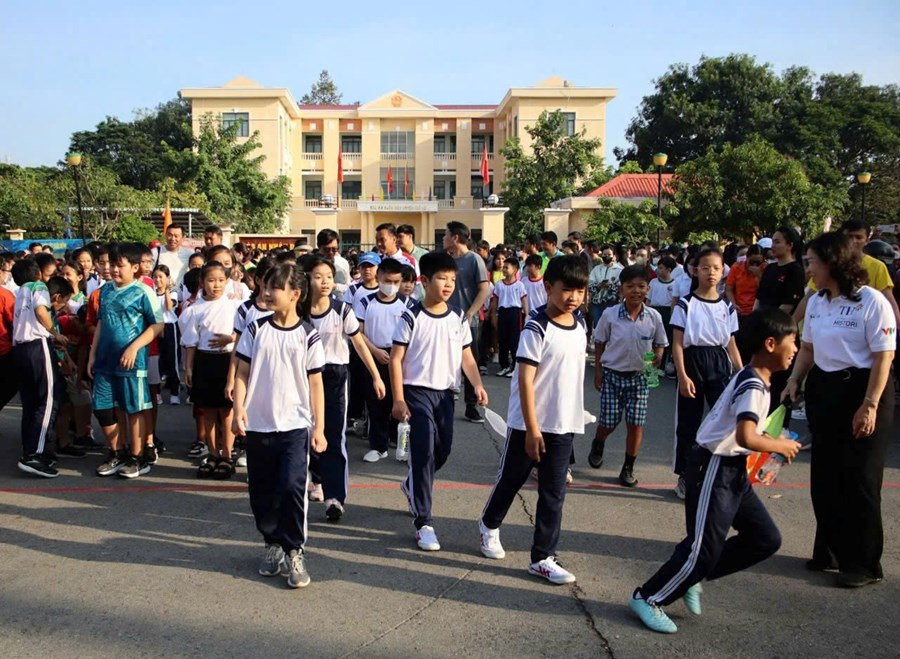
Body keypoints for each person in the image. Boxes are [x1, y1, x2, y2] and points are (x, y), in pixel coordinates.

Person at [629, 308, 801, 634]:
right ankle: (647, 597)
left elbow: (746, 435)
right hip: (713, 466)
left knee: (764, 538)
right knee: (702, 548)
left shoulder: (757, 378)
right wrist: (779, 444)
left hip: (733, 470)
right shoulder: (753, 384)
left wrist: (769, 445)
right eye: (792, 341)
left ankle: (693, 575)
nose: (795, 349)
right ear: (770, 343)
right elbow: (745, 436)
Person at [785, 232, 896, 588]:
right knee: (826, 476)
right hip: (825, 390)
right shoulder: (817, 302)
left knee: (860, 479)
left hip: (863, 390)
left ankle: (863, 563)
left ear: (833, 262)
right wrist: (794, 380)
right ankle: (830, 551)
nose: (808, 269)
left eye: (811, 262)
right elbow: (807, 348)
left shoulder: (871, 301)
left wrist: (870, 404)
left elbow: (883, 356)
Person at [479, 255, 588, 584]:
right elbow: (526, 380)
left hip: (563, 423)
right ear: (548, 287)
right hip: (529, 423)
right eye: (566, 289)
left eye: (580, 290)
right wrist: (531, 428)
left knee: (554, 492)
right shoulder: (537, 327)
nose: (573, 297)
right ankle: (489, 524)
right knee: (512, 480)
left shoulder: (580, 324)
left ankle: (542, 557)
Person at [233, 262, 326, 589]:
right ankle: (272, 543)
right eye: (266, 286)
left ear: (295, 294)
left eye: (276, 287)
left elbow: (316, 384)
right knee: (261, 491)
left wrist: (319, 428)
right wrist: (238, 409)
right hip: (258, 424)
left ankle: (294, 549)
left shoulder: (308, 334)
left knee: (291, 486)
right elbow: (242, 372)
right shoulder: (256, 329)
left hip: (295, 427)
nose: (268, 292)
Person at [390, 251, 487, 551]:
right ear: (424, 281)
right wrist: (398, 399)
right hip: (416, 393)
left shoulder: (458, 317)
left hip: (445, 395)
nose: (448, 285)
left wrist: (477, 384)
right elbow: (396, 359)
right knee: (423, 456)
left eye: (452, 280)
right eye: (442, 279)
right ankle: (424, 523)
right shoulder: (411, 316)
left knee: (441, 452)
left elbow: (467, 356)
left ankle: (411, 485)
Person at [304, 255, 385, 521]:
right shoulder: (298, 311)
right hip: (303, 377)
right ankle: (312, 480)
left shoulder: (342, 310)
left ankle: (335, 497)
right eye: (318, 276)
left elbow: (359, 343)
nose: (325, 282)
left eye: (329, 276)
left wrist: (376, 376)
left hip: (335, 376)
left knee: (334, 436)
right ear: (307, 278)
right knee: (305, 434)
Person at [671, 247, 742, 500]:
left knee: (723, 422)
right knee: (688, 424)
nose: (711, 272)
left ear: (723, 272)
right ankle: (685, 476)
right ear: (695, 271)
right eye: (705, 267)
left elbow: (731, 344)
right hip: (692, 363)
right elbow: (677, 343)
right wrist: (682, 376)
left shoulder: (727, 306)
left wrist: (743, 374)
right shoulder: (686, 304)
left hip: (719, 364)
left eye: (716, 268)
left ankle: (718, 474)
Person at [88, 243, 164, 479]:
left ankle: (137, 457)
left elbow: (157, 325)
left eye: (119, 265)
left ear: (134, 267)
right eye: (112, 265)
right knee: (103, 409)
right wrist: (92, 354)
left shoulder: (143, 292)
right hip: (104, 362)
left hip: (131, 363)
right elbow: (101, 323)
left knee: (134, 409)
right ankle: (116, 452)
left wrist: (134, 347)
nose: (114, 269)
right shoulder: (105, 291)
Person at [588, 266, 668, 487]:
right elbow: (600, 343)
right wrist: (598, 372)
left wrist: (657, 358)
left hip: (640, 378)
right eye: (630, 286)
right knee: (609, 421)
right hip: (612, 376)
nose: (636, 291)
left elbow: (660, 343)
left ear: (648, 289)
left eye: (641, 286)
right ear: (621, 289)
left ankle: (628, 467)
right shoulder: (610, 315)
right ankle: (599, 442)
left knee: (635, 423)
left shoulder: (653, 317)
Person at [180, 261, 242, 478]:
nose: (216, 285)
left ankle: (227, 455)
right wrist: (188, 368)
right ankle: (213, 453)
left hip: (228, 361)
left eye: (221, 280)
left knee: (226, 410)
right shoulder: (194, 310)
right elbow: (191, 342)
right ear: (202, 282)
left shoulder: (234, 306)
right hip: (204, 361)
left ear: (227, 281)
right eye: (211, 280)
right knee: (208, 411)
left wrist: (230, 338)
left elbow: (242, 334)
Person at [11, 263, 71, 477]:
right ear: (37, 273)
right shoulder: (38, 286)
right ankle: (34, 455)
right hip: (37, 346)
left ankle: (30, 449)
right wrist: (55, 333)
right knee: (48, 401)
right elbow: (40, 310)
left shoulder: (20, 292)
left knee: (31, 403)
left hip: (20, 349)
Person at [354, 258, 414, 462]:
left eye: (396, 282)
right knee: (376, 401)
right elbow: (358, 333)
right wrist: (375, 351)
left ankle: (400, 441)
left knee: (400, 399)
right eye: (388, 281)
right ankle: (379, 446)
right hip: (373, 355)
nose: (392, 286)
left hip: (400, 356)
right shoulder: (366, 302)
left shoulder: (407, 303)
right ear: (379, 277)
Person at [754, 227, 806, 417]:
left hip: (780, 334)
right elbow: (759, 299)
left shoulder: (795, 270)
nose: (773, 246)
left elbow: (788, 306)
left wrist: (769, 327)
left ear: (790, 245)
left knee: (778, 391)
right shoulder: (770, 268)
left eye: (777, 242)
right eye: (772, 242)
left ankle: (777, 430)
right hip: (763, 332)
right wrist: (753, 323)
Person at [443, 221, 491, 423]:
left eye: (445, 235)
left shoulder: (474, 259)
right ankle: (444, 399)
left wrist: (471, 313)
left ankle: (471, 406)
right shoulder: (446, 260)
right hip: (445, 320)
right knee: (445, 360)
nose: (443, 238)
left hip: (467, 322)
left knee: (470, 361)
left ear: (455, 237)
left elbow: (484, 289)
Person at [343, 252, 381, 435]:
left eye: (371, 266)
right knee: (358, 383)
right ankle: (354, 417)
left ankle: (371, 422)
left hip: (380, 345)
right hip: (358, 344)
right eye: (364, 266)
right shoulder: (353, 290)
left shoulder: (384, 290)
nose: (367, 270)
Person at [490, 258, 529, 377]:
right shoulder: (499, 284)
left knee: (514, 341)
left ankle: (515, 367)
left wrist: (526, 315)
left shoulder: (519, 285)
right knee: (502, 340)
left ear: (515, 270)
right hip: (503, 313)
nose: (504, 269)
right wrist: (493, 315)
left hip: (515, 313)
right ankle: (504, 366)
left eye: (507, 267)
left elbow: (524, 301)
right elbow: (495, 301)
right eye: (504, 267)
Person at [152, 264, 181, 406]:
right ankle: (157, 393)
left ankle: (175, 393)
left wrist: (167, 290)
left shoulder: (173, 292)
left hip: (170, 327)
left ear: (167, 278)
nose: (158, 280)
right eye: (155, 277)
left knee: (172, 360)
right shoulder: (151, 293)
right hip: (155, 327)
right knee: (157, 360)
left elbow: (169, 307)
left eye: (161, 277)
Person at [648, 256, 677, 377]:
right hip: (654, 311)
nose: (658, 270)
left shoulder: (675, 283)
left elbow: (675, 301)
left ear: (669, 269)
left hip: (667, 313)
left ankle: (661, 366)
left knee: (663, 341)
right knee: (650, 340)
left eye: (661, 268)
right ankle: (649, 366)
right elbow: (648, 300)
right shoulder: (653, 282)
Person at [588, 245, 624, 328]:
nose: (606, 256)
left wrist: (611, 286)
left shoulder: (619, 270)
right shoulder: (596, 269)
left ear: (613, 255)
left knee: (611, 325)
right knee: (597, 325)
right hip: (596, 302)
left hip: (612, 302)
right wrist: (599, 285)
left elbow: (621, 286)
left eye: (609, 254)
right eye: (604, 254)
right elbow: (590, 284)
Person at [316, 229, 351, 297]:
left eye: (334, 249)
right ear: (319, 246)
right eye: (326, 250)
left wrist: (335, 286)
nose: (331, 252)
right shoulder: (311, 264)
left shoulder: (343, 263)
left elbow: (348, 288)